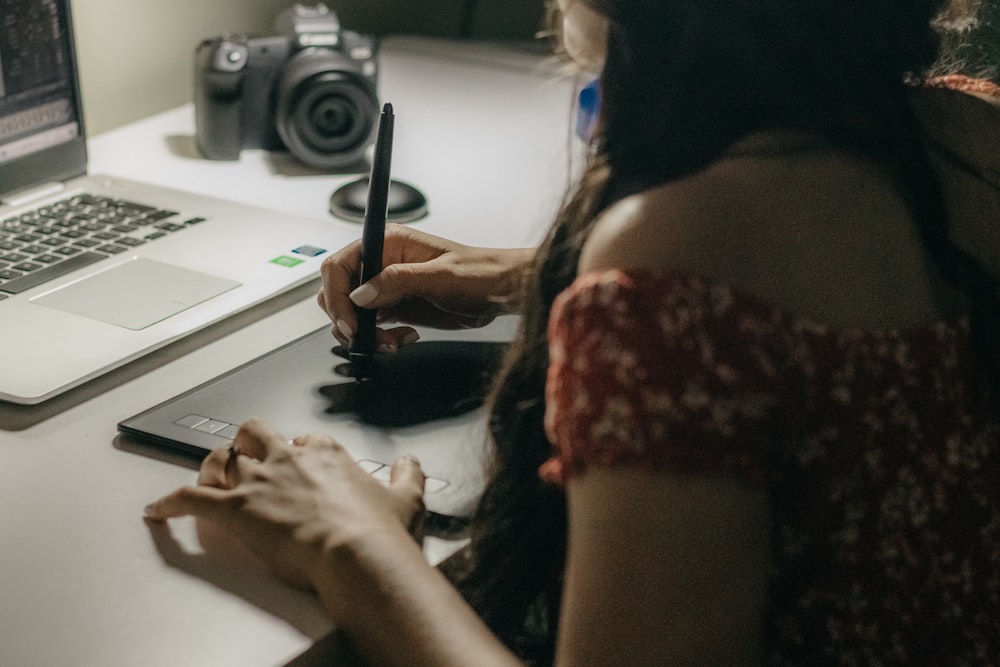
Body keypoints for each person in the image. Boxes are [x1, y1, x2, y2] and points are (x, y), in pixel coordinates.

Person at [145, 0, 1000, 663]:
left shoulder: (675, 271)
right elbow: (822, 283)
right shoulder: (973, 137)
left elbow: (713, 291)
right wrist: (546, 269)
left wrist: (352, 544)